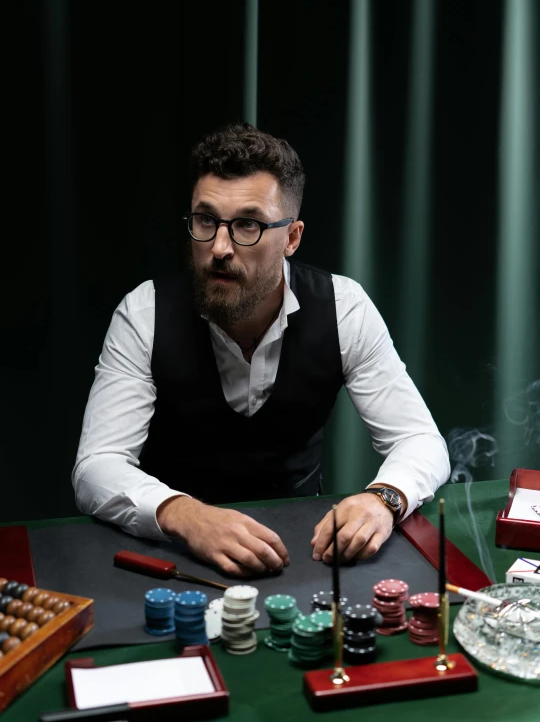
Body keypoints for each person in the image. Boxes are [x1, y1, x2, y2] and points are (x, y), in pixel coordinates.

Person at [73, 123, 450, 577]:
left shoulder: (344, 308)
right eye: (205, 220)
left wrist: (383, 499)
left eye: (248, 224)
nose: (219, 248)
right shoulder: (144, 312)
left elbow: (420, 441)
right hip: (173, 555)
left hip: (303, 550)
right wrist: (185, 515)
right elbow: (97, 467)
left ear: (291, 238)